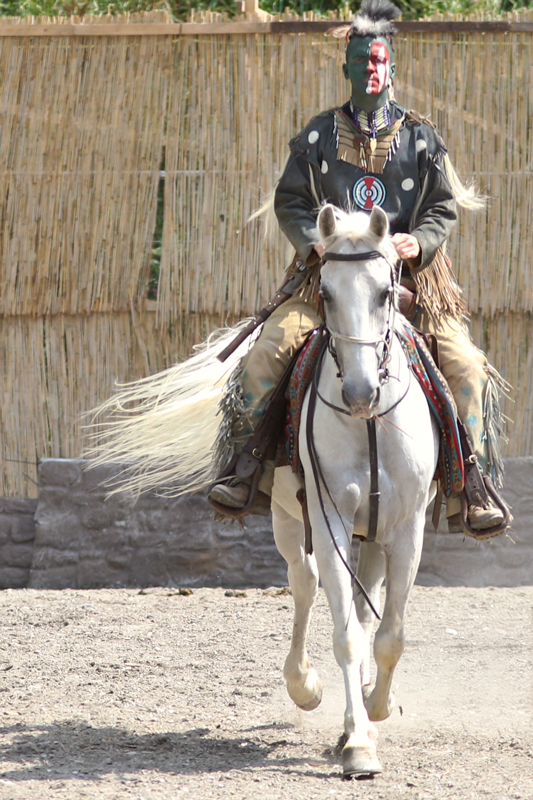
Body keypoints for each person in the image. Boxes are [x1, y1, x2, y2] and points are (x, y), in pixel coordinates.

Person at [209, 0, 506, 532]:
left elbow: (441, 205)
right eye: (361, 61)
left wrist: (421, 240)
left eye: (379, 60)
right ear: (346, 68)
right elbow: (291, 202)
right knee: (267, 354)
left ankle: (473, 484)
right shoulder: (319, 136)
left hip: (413, 279)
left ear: (391, 66)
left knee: (465, 364)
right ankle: (245, 468)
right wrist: (313, 245)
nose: (371, 69)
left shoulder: (421, 137)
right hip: (331, 276)